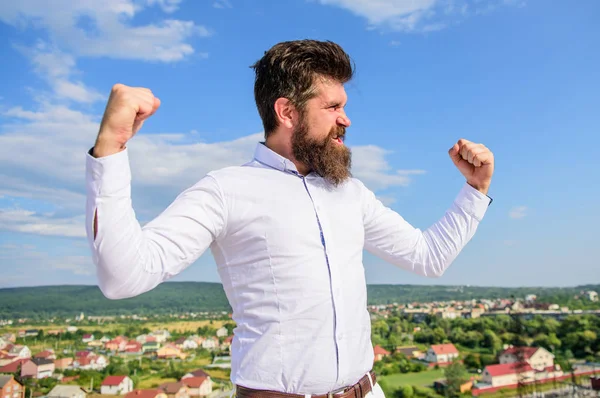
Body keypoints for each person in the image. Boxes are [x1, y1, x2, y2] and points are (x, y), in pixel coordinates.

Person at [85, 39, 494, 398]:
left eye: (344, 106)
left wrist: (475, 190)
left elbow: (428, 256)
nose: (345, 119)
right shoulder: (225, 190)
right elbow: (124, 276)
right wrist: (112, 148)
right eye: (332, 107)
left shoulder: (350, 192)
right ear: (287, 112)